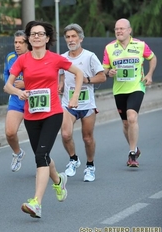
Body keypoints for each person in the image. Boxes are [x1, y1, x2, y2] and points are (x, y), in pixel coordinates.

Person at [4, 20, 83, 218]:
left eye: (40, 34)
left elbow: (79, 73)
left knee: (40, 156)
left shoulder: (55, 59)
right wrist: (17, 92)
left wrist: (74, 97)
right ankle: (58, 181)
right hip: (31, 115)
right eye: (33, 34)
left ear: (47, 38)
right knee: (44, 156)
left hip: (53, 113)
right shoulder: (22, 60)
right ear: (29, 38)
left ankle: (36, 203)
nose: (36, 37)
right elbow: (7, 85)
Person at [102, 18, 157, 167]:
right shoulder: (109, 48)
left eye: (122, 28)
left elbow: (152, 58)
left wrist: (150, 74)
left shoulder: (140, 45)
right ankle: (135, 147)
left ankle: (132, 154)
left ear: (129, 30)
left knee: (132, 117)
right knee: (126, 123)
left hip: (136, 87)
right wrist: (109, 72)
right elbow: (104, 68)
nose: (119, 31)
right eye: (116, 29)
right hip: (119, 90)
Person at [59, 23, 106, 182]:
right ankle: (73, 159)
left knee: (87, 138)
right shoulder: (62, 57)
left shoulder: (89, 56)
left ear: (81, 38)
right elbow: (61, 75)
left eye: (73, 36)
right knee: (65, 134)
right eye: (68, 37)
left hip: (86, 105)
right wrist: (61, 83)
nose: (71, 40)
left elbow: (102, 76)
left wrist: (86, 79)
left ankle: (90, 166)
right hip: (67, 103)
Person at [3, 30, 30, 172]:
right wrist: (13, 88)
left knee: (36, 138)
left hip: (34, 100)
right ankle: (18, 153)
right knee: (10, 132)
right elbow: (6, 77)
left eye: (21, 42)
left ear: (28, 43)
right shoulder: (10, 57)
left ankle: (43, 161)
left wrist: (26, 84)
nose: (17, 45)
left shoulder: (34, 57)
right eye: (15, 42)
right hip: (16, 99)